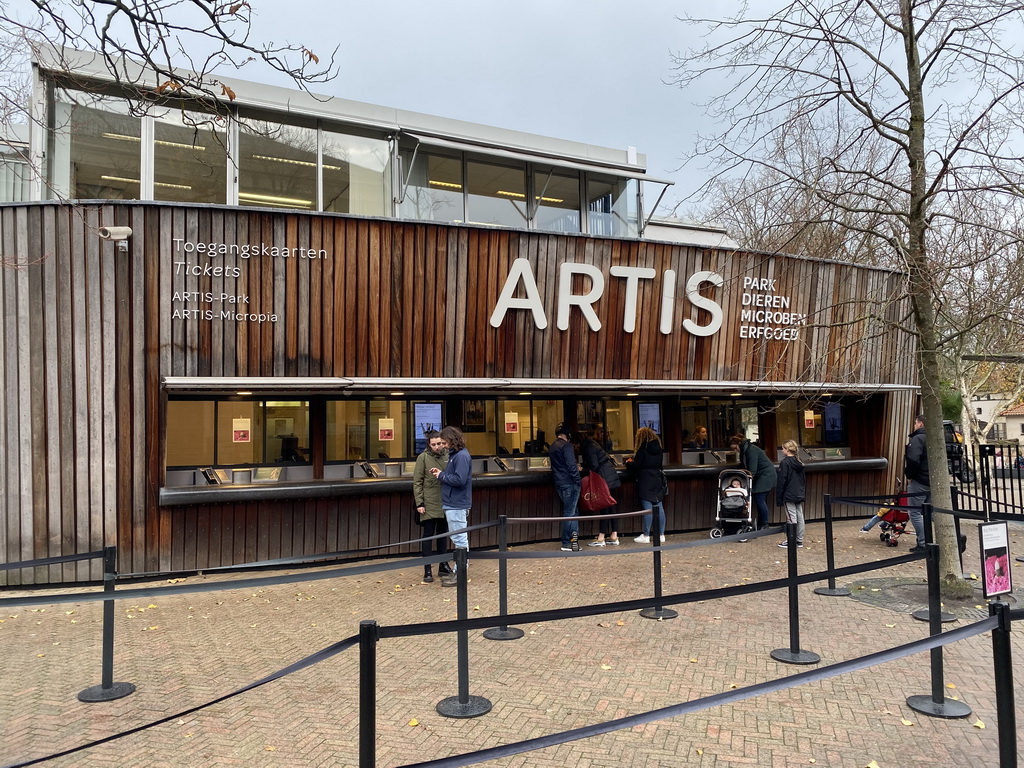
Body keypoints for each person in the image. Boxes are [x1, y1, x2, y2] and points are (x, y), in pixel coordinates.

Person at [430, 426, 473, 586]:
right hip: (454, 502)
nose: (442, 445)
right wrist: (442, 474)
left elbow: (460, 480)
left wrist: (441, 475)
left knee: (459, 539)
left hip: (456, 502)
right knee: (458, 538)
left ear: (451, 440)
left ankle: (460, 573)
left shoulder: (460, 456)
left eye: (444, 442)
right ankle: (458, 571)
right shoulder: (457, 455)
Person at [412, 430, 450, 584]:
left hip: (445, 501)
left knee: (443, 534)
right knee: (428, 535)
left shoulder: (449, 456)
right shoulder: (423, 458)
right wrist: (419, 503)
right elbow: (417, 481)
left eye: (439, 443)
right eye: (433, 444)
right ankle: (427, 569)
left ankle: (443, 564)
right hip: (428, 502)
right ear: (429, 444)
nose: (437, 446)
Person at [580, 426, 621, 546]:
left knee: (605, 507)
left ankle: (601, 538)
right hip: (610, 476)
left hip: (604, 479)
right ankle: (614, 536)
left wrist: (583, 468)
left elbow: (594, 465)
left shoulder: (588, 447)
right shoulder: (594, 445)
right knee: (611, 506)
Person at [729, 433, 777, 531]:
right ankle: (761, 524)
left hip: (765, 476)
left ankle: (764, 524)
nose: (735, 451)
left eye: (735, 448)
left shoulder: (751, 451)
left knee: (759, 499)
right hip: (764, 475)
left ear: (739, 444)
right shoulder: (746, 450)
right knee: (759, 499)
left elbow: (752, 470)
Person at [631, 426, 667, 543]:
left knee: (648, 508)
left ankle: (646, 535)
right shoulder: (658, 448)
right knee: (659, 506)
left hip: (645, 479)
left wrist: (628, 464)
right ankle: (661, 534)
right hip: (657, 478)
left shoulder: (643, 448)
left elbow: (636, 465)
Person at [549, 423, 582, 551]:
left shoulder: (552, 446)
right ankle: (567, 541)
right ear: (568, 435)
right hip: (570, 483)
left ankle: (574, 538)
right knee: (570, 512)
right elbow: (571, 465)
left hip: (559, 483)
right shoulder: (567, 446)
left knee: (572, 511)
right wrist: (578, 480)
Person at [903, 414, 930, 553]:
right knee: (930, 513)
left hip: (919, 480)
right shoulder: (935, 438)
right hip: (932, 481)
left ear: (920, 424)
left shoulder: (918, 438)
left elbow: (913, 459)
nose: (914, 425)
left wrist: (910, 476)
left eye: (915, 423)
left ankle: (923, 543)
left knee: (914, 512)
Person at [775, 440, 805, 548]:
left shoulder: (785, 463)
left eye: (783, 448)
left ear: (787, 450)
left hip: (789, 493)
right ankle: (799, 539)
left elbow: (782, 480)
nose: (782, 450)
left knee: (791, 517)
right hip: (798, 492)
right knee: (799, 516)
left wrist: (779, 497)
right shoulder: (799, 461)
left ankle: (791, 540)